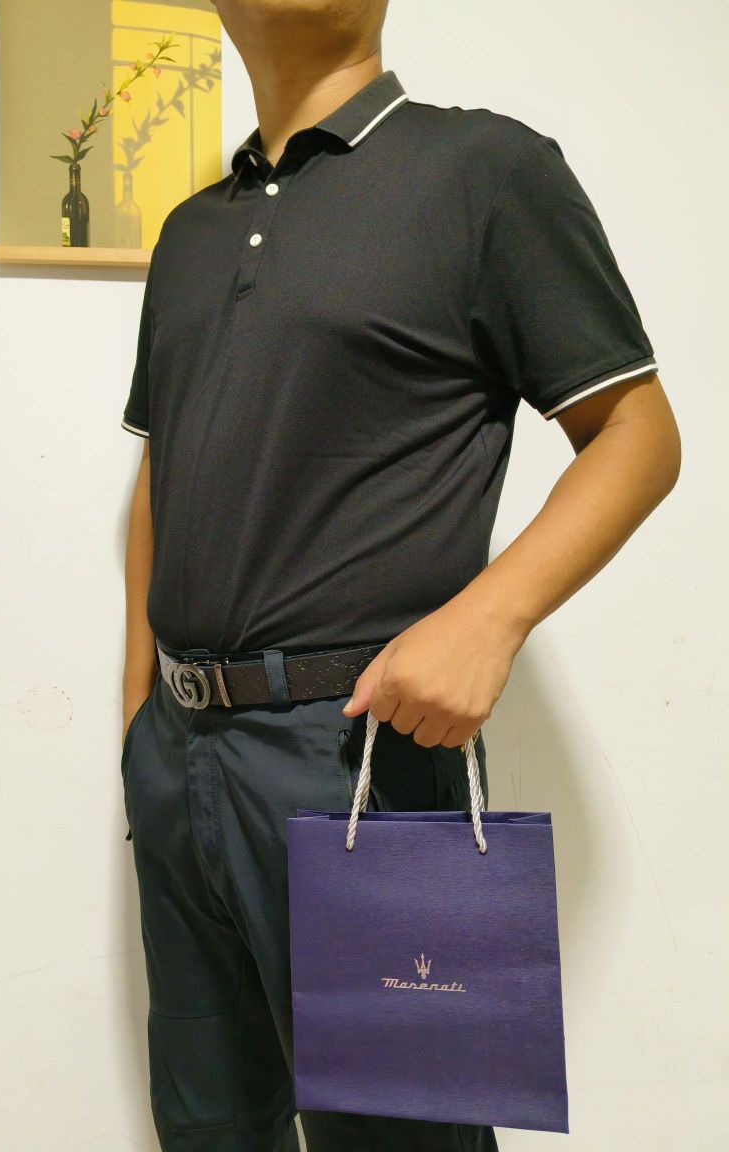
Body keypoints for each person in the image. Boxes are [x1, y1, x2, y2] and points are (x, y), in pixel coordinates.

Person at [118, 2, 681, 1148]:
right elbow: (159, 475)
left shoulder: (486, 172)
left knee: (399, 1137)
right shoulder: (188, 231)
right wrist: (141, 723)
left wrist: (492, 616)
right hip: (181, 763)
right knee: (208, 1127)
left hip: (357, 760)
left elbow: (639, 434)